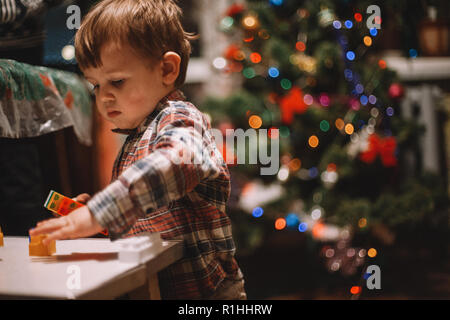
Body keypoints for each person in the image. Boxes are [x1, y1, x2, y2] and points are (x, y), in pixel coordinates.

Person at [29, 0, 246, 300]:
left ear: (167, 70)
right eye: (95, 85)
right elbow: (147, 218)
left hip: (210, 294)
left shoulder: (180, 120)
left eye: (116, 81)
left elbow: (170, 166)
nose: (104, 97)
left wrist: (99, 213)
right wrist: (96, 218)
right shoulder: (137, 136)